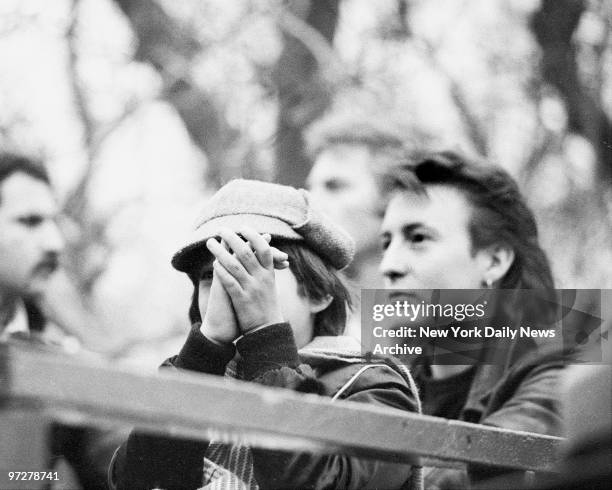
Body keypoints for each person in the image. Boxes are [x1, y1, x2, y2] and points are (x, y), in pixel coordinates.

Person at [110, 179, 421, 490]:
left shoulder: (376, 387)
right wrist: (206, 349)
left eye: (255, 266)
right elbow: (134, 480)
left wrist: (265, 335)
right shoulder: (191, 373)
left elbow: (319, 484)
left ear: (318, 292)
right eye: (209, 275)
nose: (227, 286)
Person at [378, 151, 567, 488]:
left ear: (494, 261)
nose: (389, 265)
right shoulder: (389, 378)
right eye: (386, 242)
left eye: (418, 238)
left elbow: (479, 472)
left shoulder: (557, 362)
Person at [0, 152, 123, 490]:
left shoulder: (59, 360)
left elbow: (127, 469)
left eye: (54, 222)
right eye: (29, 221)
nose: (55, 243)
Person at [305, 117, 427, 337]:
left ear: (394, 195)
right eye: (311, 188)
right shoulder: (313, 313)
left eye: (335, 186)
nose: (311, 203)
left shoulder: (445, 321)